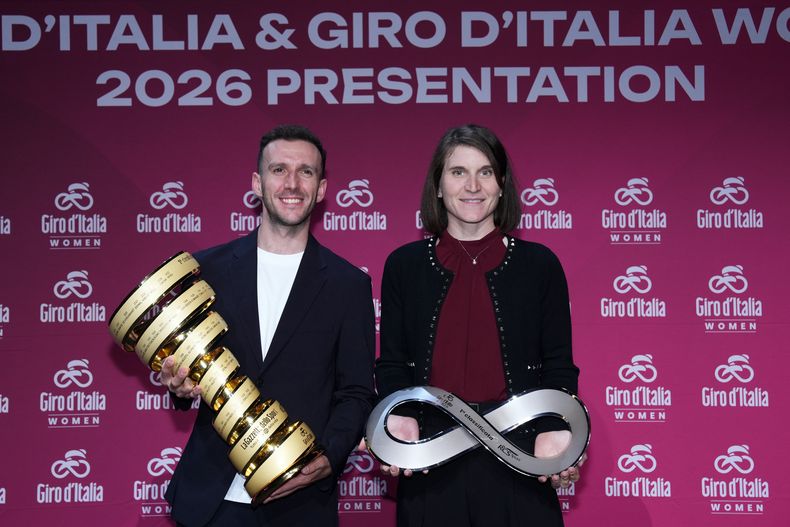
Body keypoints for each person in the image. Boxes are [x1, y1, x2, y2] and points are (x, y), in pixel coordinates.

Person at [161, 124, 376, 526]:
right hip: (211, 498)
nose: (292, 183)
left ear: (323, 188)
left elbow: (357, 392)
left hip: (299, 501)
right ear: (257, 184)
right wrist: (178, 386)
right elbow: (188, 373)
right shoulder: (207, 269)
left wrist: (326, 460)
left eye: (306, 172)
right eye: (279, 170)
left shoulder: (349, 285)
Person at [374, 124, 583, 527]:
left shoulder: (540, 265)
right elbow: (392, 364)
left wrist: (554, 427)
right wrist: (398, 421)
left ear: (502, 185)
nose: (473, 185)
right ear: (437, 186)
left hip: (521, 456)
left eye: (485, 172)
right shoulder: (404, 265)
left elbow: (559, 363)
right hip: (431, 456)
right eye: (458, 172)